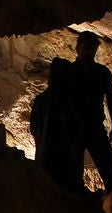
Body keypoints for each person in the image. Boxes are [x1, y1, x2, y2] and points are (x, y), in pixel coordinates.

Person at [67, 31, 112, 193]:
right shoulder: (69, 71)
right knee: (73, 170)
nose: (90, 52)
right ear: (78, 48)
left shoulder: (101, 72)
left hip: (93, 126)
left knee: (108, 168)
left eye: (93, 48)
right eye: (86, 48)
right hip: (74, 127)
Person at [31, 57, 81, 192]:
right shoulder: (68, 100)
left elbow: (33, 127)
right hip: (63, 158)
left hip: (43, 154)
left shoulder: (40, 99)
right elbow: (72, 128)